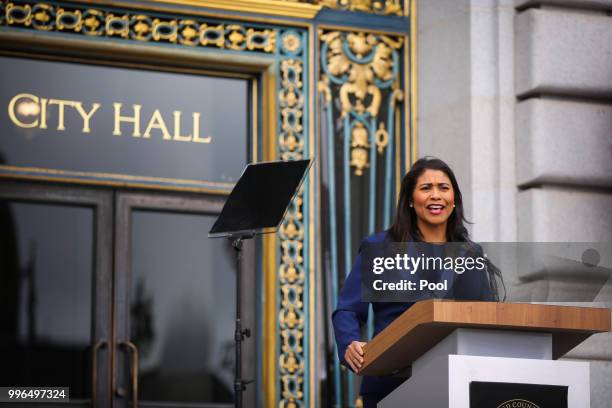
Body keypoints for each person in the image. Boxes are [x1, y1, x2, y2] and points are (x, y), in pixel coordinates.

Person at [331, 156, 502, 407]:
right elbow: (347, 309)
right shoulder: (380, 247)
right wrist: (350, 342)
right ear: (411, 200)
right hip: (390, 383)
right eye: (426, 188)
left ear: (454, 200)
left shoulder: (470, 253)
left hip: (457, 381)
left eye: (444, 188)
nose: (436, 195)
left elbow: (483, 314)